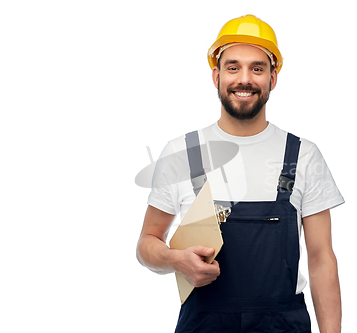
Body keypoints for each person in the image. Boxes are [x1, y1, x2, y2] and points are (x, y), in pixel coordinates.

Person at [137, 14, 345, 333]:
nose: (244, 79)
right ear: (216, 75)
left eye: (257, 68)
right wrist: (174, 260)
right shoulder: (184, 153)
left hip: (283, 324)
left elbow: (321, 259)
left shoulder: (303, 156)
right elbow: (147, 243)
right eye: (233, 67)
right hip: (202, 323)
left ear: (273, 79)